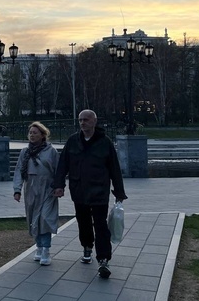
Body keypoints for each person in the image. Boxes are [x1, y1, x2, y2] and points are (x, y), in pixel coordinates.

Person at [52, 109, 127, 279]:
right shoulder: (73, 141)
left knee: (100, 225)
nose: (82, 123)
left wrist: (119, 192)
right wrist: (59, 185)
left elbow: (114, 168)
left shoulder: (105, 142)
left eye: (86, 119)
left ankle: (103, 259)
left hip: (99, 190)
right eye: (80, 120)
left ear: (94, 121)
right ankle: (87, 246)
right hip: (78, 189)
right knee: (83, 221)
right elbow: (63, 164)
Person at [13, 121, 59, 266]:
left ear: (42, 135)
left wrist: (59, 186)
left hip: (47, 188)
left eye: (35, 133)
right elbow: (19, 170)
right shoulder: (25, 152)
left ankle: (46, 249)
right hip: (31, 188)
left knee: (45, 217)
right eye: (30, 133)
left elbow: (58, 170)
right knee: (34, 218)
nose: (32, 135)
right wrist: (17, 190)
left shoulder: (51, 151)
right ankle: (38, 246)